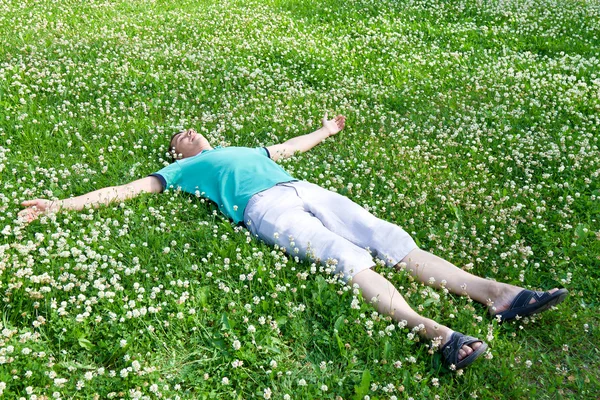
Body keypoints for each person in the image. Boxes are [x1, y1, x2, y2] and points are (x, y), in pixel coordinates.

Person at [19, 114, 568, 370]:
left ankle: (500, 295)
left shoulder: (250, 150)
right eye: (176, 136)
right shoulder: (183, 170)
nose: (185, 132)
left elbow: (291, 145)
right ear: (179, 153)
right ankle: (440, 333)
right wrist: (62, 205)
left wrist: (325, 132)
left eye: (190, 129)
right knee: (346, 261)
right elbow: (126, 189)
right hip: (266, 209)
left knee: (388, 239)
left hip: (302, 187)